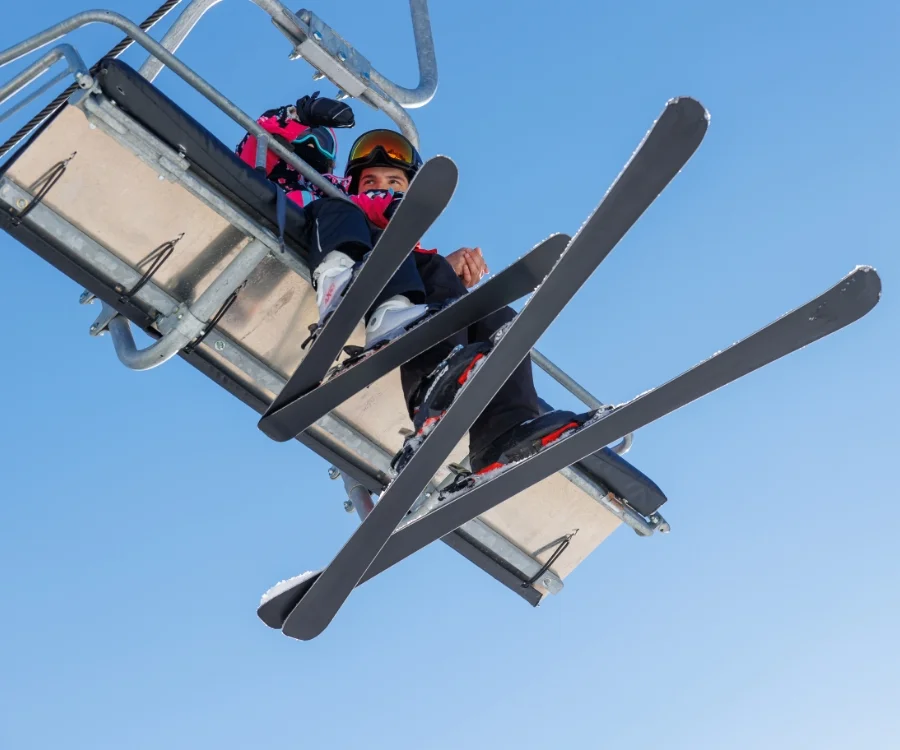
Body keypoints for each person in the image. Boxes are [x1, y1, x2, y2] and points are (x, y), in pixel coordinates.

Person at [303, 128, 592, 477]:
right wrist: (298, 119)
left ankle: (504, 431)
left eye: (394, 182)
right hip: (355, 263)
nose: (382, 189)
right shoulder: (334, 201)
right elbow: (269, 159)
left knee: (495, 314)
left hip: (407, 281)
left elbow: (427, 270)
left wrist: (450, 274)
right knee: (400, 249)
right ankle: (416, 361)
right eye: (370, 182)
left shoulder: (422, 260)